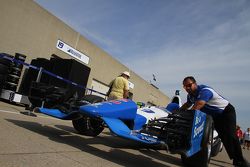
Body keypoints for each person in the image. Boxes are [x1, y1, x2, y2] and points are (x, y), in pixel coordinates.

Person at [180, 76, 248, 167]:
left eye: (189, 85)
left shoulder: (205, 91)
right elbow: (188, 104)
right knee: (223, 137)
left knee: (231, 135)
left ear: (195, 83)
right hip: (215, 116)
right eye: (185, 86)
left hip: (226, 112)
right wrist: (177, 112)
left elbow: (199, 104)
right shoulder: (191, 95)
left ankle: (241, 161)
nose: (187, 88)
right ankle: (235, 159)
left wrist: (187, 116)